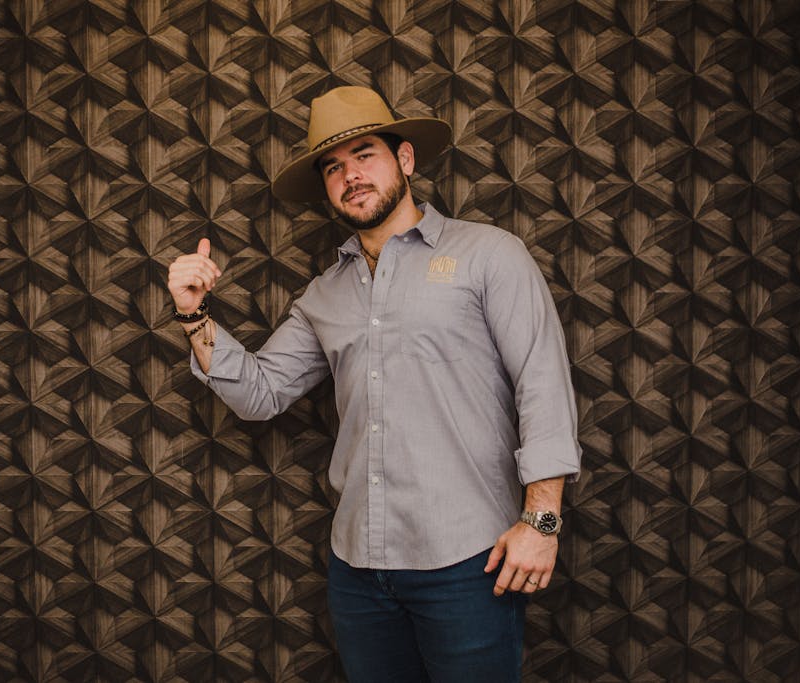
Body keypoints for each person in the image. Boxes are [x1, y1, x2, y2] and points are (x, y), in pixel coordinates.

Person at [168, 86, 581, 682]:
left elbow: (542, 384)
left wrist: (542, 524)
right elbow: (260, 394)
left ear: (406, 160)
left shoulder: (489, 255)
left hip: (469, 562)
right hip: (358, 571)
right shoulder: (323, 295)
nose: (350, 176)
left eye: (365, 155)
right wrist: (194, 318)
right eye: (333, 167)